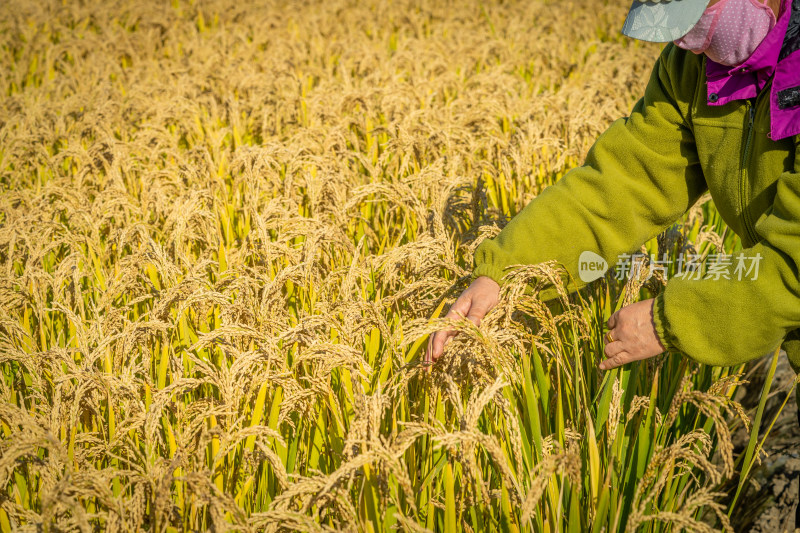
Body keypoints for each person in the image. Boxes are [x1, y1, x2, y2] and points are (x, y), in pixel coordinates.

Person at [426, 0, 800, 521]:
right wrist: (504, 272)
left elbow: (795, 264)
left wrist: (670, 320)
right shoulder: (693, 67)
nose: (689, 40)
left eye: (696, 17)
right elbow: (623, 185)